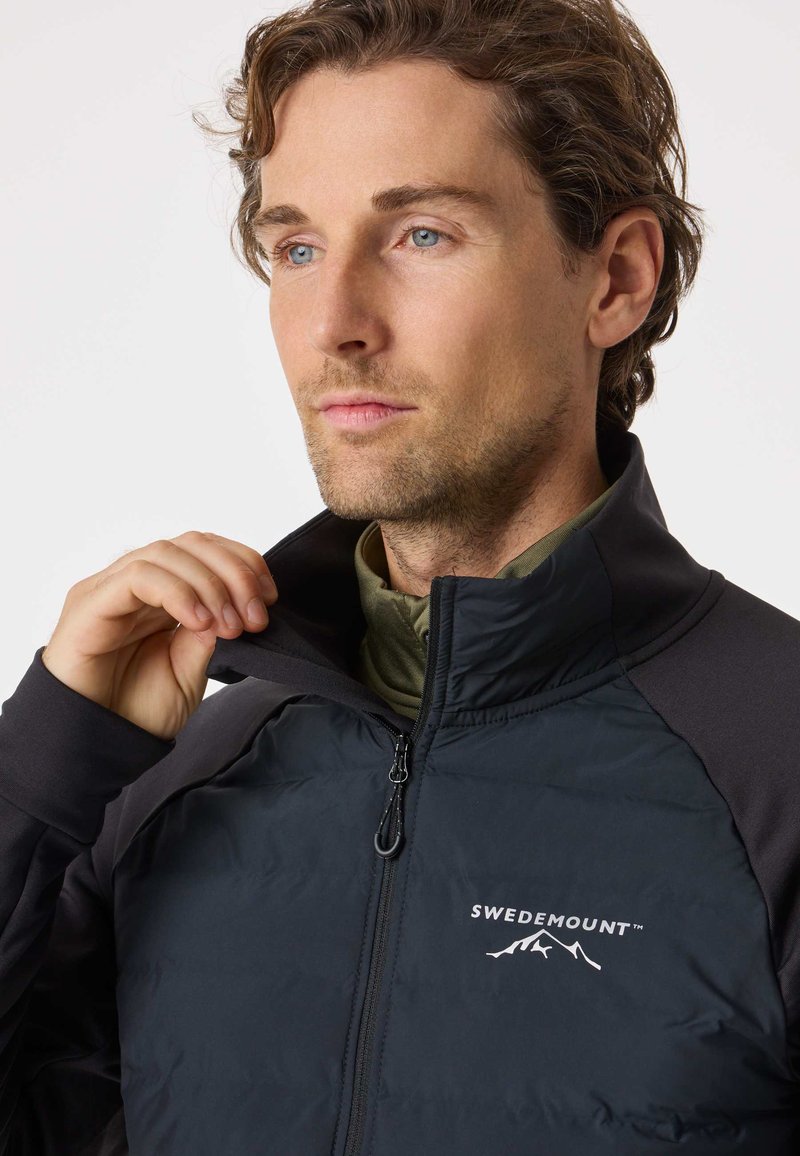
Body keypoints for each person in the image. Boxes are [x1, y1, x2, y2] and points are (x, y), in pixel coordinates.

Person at [1, 0, 798, 1151]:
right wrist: (43, 774)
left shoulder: (774, 765)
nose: (334, 323)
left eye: (420, 234)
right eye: (295, 248)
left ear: (614, 279)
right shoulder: (170, 775)